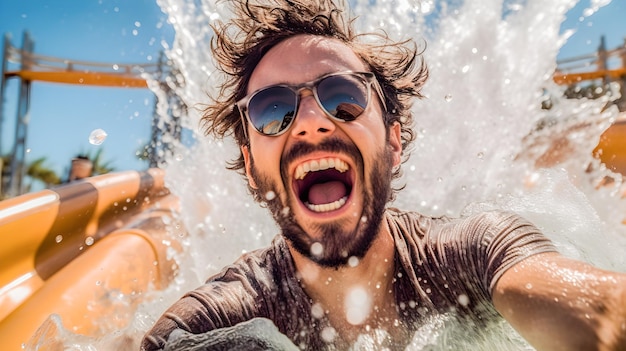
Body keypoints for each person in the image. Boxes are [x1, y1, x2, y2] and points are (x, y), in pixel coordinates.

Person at [142, 0, 626, 350]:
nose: (312, 120)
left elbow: (602, 313)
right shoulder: (220, 320)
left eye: (342, 96)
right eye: (273, 110)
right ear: (251, 167)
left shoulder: (474, 256)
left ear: (393, 141)